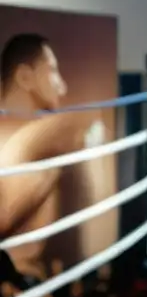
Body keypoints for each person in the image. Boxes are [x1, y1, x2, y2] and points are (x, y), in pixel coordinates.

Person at [0, 34, 112, 279]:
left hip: (36, 285)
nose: (62, 86)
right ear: (25, 77)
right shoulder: (28, 143)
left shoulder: (43, 147)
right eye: (51, 70)